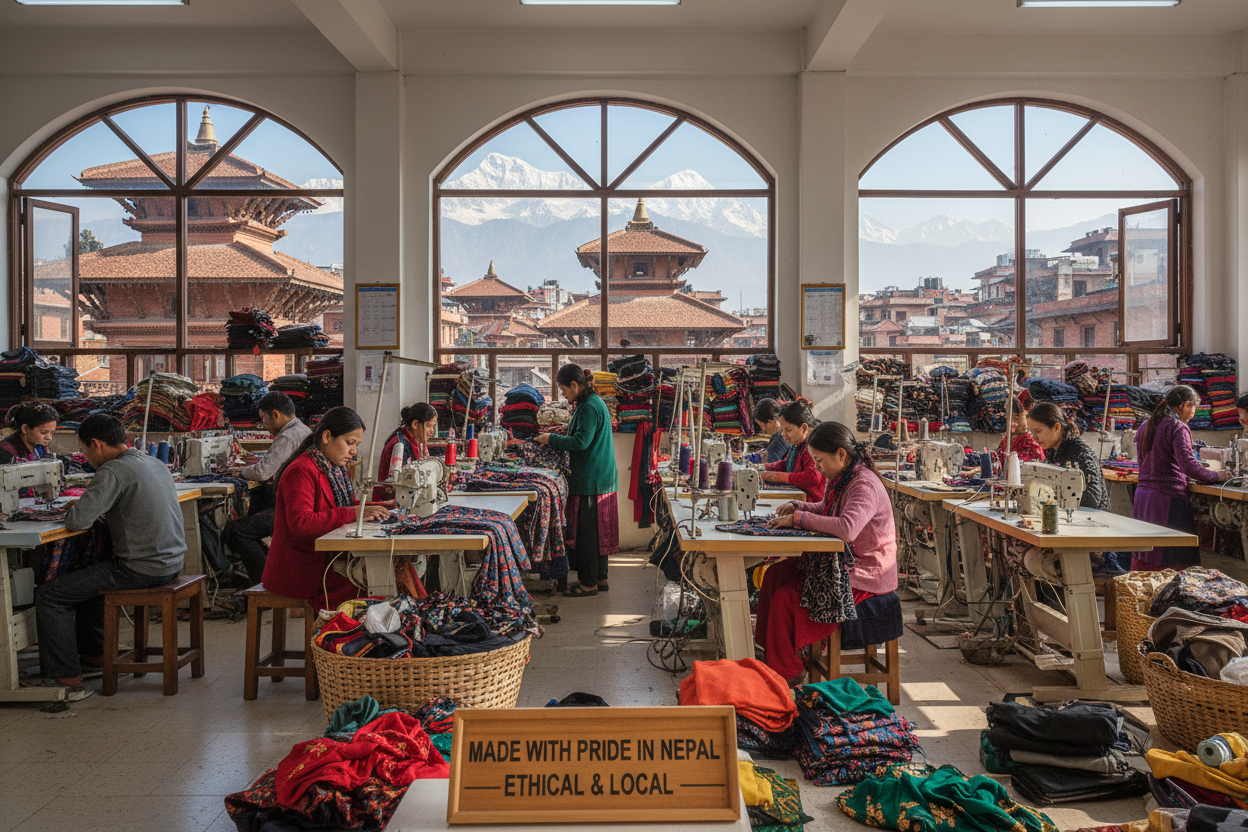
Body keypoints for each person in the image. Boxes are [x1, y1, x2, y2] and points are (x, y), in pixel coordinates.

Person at [32, 414, 185, 692]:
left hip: (141, 568)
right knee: (87, 579)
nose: (86, 457)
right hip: (173, 561)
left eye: (84, 450)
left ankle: (65, 675)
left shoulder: (112, 471)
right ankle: (95, 654)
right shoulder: (153, 462)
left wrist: (77, 507)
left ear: (96, 444)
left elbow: (78, 522)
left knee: (50, 595)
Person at [756, 421, 897, 686]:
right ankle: (772, 657)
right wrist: (799, 506)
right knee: (774, 575)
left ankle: (788, 673)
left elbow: (846, 528)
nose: (818, 467)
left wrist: (799, 518)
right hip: (843, 563)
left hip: (864, 574)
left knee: (786, 598)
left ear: (841, 454)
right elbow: (828, 509)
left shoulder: (863, 484)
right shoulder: (844, 477)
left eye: (820, 460)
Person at [262, 407, 392, 611]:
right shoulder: (301, 471)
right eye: (349, 443)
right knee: (374, 584)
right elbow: (302, 524)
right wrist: (355, 512)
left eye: (356, 445)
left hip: (322, 559)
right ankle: (343, 638)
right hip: (303, 568)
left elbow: (342, 508)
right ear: (327, 436)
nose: (354, 451)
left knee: (390, 573)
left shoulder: (332, 469)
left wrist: (385, 506)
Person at [534, 363, 618, 598]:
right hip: (599, 476)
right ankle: (600, 579)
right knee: (598, 533)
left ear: (574, 385)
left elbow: (581, 442)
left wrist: (550, 438)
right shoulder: (588, 403)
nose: (563, 394)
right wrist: (563, 430)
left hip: (592, 478)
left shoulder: (590, 407)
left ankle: (588, 584)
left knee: (587, 536)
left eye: (563, 390)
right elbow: (578, 433)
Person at [1131, 385, 1231, 571]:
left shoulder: (1146, 425)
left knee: (1146, 556)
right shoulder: (1177, 427)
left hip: (1144, 498)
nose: (1194, 413)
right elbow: (1189, 465)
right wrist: (1217, 475)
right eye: (1194, 408)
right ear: (1186, 405)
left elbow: (1148, 462)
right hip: (1167, 501)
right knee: (1173, 564)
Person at [223, 392, 311, 585]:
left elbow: (263, 472)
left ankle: (266, 582)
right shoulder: (302, 430)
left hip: (292, 510)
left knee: (237, 532)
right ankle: (271, 574)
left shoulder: (288, 436)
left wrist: (239, 472)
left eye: (264, 419)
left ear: (276, 414)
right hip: (300, 505)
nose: (264, 425)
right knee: (247, 520)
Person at [1026, 402, 1111, 512]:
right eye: (1031, 432)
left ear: (1057, 427)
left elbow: (1093, 497)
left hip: (1094, 519)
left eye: (1038, 431)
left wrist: (1056, 500)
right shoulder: (1053, 451)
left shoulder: (1080, 452)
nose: (1034, 437)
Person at [759, 400, 827, 503]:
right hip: (803, 500)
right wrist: (759, 468)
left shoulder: (815, 445)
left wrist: (774, 476)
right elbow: (784, 464)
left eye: (788, 430)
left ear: (804, 428)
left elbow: (813, 477)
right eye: (782, 430)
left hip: (814, 505)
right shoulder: (797, 446)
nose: (783, 435)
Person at [373, 402, 438, 501]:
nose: (432, 430)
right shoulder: (399, 445)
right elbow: (398, 483)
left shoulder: (418, 442)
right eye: (428, 425)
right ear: (415, 424)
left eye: (433, 426)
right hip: (392, 502)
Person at [1000, 397, 1045, 463]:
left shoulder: (1030, 441)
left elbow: (1039, 461)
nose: (1013, 422)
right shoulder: (1007, 439)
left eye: (1016, 418)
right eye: (1011, 418)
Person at [752, 398, 790, 464]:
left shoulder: (782, 436)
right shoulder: (779, 435)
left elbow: (770, 459)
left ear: (770, 422)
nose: (763, 430)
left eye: (763, 425)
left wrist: (744, 459)